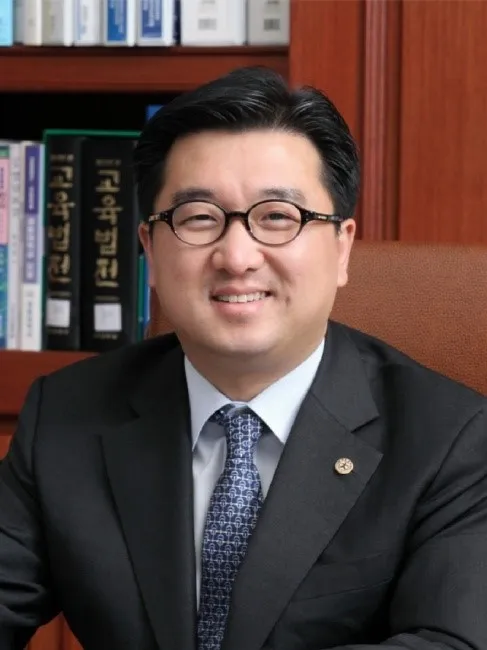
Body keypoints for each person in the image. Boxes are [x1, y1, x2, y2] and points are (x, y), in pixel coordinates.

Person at [0, 66, 486, 650]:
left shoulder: (451, 439)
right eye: (199, 218)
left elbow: (452, 642)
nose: (237, 257)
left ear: (342, 248)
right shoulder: (66, 415)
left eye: (277, 217)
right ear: (150, 250)